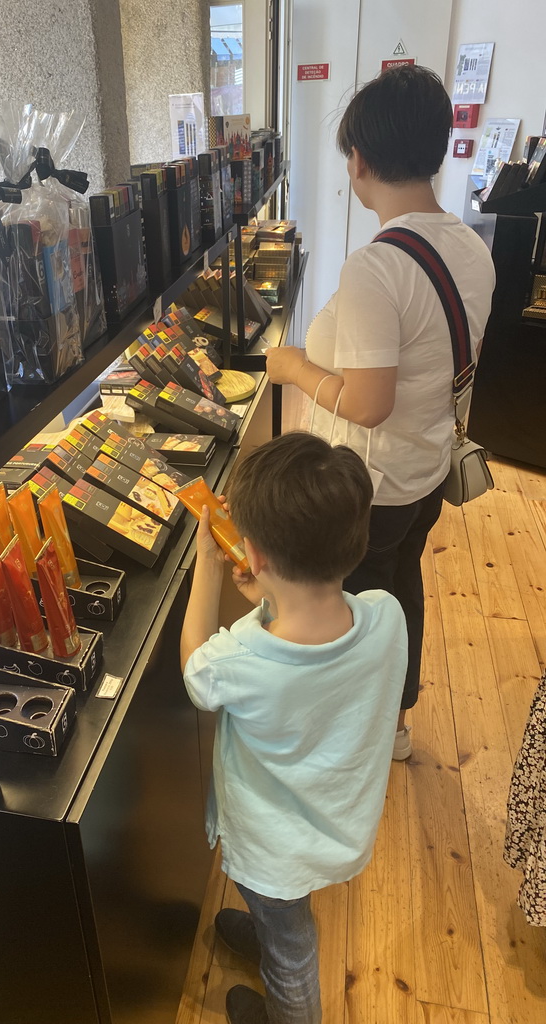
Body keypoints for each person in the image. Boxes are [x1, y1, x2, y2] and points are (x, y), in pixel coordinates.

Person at [265, 65, 495, 759]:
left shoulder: (377, 267)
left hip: (370, 485)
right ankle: (394, 724)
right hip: (425, 470)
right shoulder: (470, 247)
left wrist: (295, 364)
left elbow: (367, 404)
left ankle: (355, 742)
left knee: (354, 612)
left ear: (359, 160)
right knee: (397, 593)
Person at [180, 431, 408, 1024]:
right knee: (279, 914)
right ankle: (264, 927)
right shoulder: (388, 615)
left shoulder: (242, 662)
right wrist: (272, 596)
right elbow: (317, 641)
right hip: (334, 820)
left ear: (253, 556)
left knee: (293, 949)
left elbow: (195, 669)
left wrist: (207, 566)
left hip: (273, 845)